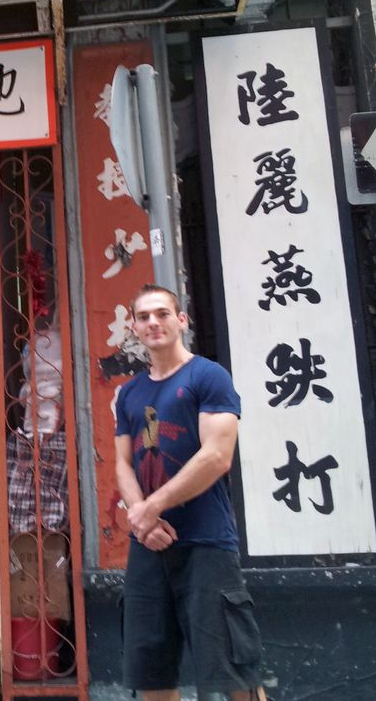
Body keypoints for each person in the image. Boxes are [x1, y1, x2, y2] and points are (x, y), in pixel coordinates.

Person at [114, 284, 264, 701]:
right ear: (134, 328)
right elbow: (123, 463)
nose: (152, 323)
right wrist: (142, 521)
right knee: (151, 673)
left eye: (162, 313)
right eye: (143, 317)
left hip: (205, 542)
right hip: (147, 547)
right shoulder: (129, 393)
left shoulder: (207, 376)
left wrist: (151, 508)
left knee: (233, 670)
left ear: (181, 320)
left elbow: (217, 457)